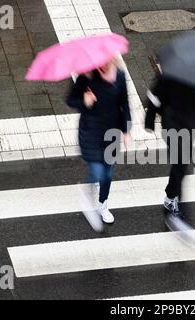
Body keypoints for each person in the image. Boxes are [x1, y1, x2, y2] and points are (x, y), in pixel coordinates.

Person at [145, 76, 195, 231]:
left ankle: (172, 197)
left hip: (191, 125)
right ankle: (171, 201)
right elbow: (154, 96)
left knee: (181, 165)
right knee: (181, 164)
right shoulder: (171, 72)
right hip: (172, 124)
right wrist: (149, 121)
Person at [66, 59, 131, 231]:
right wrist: (84, 102)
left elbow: (125, 104)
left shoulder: (120, 76)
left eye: (106, 61)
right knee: (98, 171)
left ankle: (103, 204)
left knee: (108, 174)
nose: (103, 65)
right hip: (91, 132)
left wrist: (126, 131)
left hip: (111, 134)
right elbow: (70, 100)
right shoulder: (86, 78)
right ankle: (86, 192)